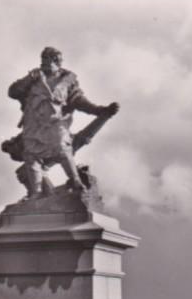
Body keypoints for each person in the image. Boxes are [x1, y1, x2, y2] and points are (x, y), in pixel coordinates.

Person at [8, 47, 118, 199]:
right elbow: (13, 92)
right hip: (33, 125)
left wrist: (100, 110)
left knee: (62, 148)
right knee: (30, 156)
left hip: (56, 123)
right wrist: (29, 79)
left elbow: (80, 102)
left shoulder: (67, 81)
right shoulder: (33, 78)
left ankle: (76, 181)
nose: (45, 63)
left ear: (57, 62)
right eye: (43, 59)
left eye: (50, 59)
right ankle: (36, 194)